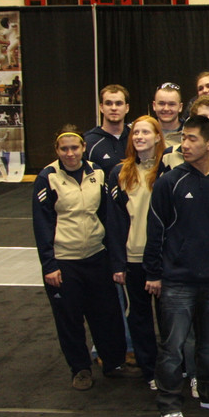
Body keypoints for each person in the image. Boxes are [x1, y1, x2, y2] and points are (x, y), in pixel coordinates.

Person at [144, 115, 209, 417]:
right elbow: (155, 230)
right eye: (183, 139)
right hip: (176, 280)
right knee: (173, 347)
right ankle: (170, 404)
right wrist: (154, 273)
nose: (184, 145)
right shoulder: (169, 182)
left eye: (191, 139)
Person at [33, 125, 138, 391]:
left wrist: (114, 258)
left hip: (96, 256)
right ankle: (80, 369)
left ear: (83, 148)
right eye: (64, 149)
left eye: (75, 148)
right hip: (64, 261)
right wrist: (49, 265)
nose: (70, 154)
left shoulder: (98, 173)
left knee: (107, 313)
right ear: (57, 150)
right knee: (70, 319)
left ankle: (113, 362)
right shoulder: (48, 177)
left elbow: (107, 217)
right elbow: (42, 224)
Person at [107, 115, 167, 390]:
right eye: (136, 133)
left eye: (145, 132)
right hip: (133, 259)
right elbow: (115, 221)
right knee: (140, 319)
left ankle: (171, 369)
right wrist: (117, 263)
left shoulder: (169, 170)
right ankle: (149, 370)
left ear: (157, 137)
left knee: (169, 320)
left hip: (164, 260)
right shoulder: (119, 173)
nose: (139, 136)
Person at [84, 84, 130, 173]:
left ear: (127, 108)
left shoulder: (137, 137)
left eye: (119, 103)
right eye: (108, 103)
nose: (113, 108)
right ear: (101, 107)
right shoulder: (88, 142)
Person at [151, 82, 184, 148]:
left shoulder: (190, 132)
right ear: (154, 105)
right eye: (161, 103)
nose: (166, 108)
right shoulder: (143, 131)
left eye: (171, 104)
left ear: (180, 107)